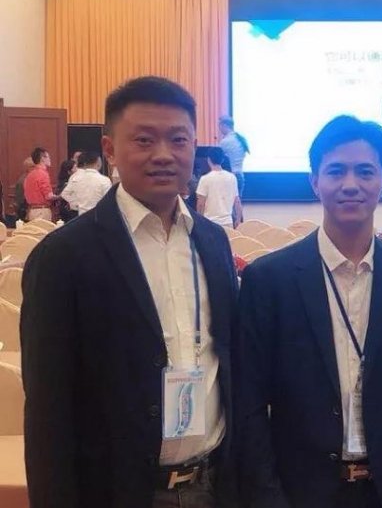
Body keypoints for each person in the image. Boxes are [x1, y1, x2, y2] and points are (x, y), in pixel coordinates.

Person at [20, 76, 239, 508]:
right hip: (116, 491)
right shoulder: (63, 255)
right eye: (144, 140)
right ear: (109, 149)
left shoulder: (213, 242)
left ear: (195, 146)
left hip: (214, 485)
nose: (164, 154)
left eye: (178, 139)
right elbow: (47, 413)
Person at [236, 115, 382, 508]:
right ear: (314, 181)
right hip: (301, 491)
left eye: (365, 172)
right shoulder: (269, 279)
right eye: (336, 171)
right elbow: (248, 402)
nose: (351, 184)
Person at [196, 148, 242, 228]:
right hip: (228, 222)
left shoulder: (205, 179)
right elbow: (237, 201)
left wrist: (200, 221)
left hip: (210, 223)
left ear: (208, 160)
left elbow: (200, 204)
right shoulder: (232, 177)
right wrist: (238, 219)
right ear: (222, 160)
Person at [59, 149, 112, 215]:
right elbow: (109, 201)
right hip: (99, 215)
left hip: (82, 214)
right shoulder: (104, 180)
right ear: (98, 162)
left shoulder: (76, 178)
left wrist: (76, 204)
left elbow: (64, 194)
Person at [218, 116, 249, 198]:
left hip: (230, 177)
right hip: (240, 176)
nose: (219, 129)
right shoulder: (240, 139)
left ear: (224, 125)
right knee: (237, 203)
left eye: (219, 126)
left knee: (227, 205)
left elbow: (217, 159)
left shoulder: (225, 141)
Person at [23, 147, 58, 221]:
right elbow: (48, 196)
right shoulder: (43, 174)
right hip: (42, 211)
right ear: (42, 158)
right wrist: (60, 196)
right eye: (48, 157)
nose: (50, 159)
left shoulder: (29, 175)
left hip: (31, 211)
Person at [12, 156, 33, 221]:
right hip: (25, 213)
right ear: (30, 168)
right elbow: (19, 201)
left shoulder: (29, 179)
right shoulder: (23, 181)